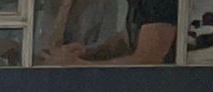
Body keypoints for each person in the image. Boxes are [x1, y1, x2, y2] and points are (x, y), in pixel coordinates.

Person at [40, 0, 177, 65]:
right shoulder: (136, 4)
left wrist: (79, 65)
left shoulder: (159, 3)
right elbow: (125, 41)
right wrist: (88, 52)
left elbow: (148, 60)